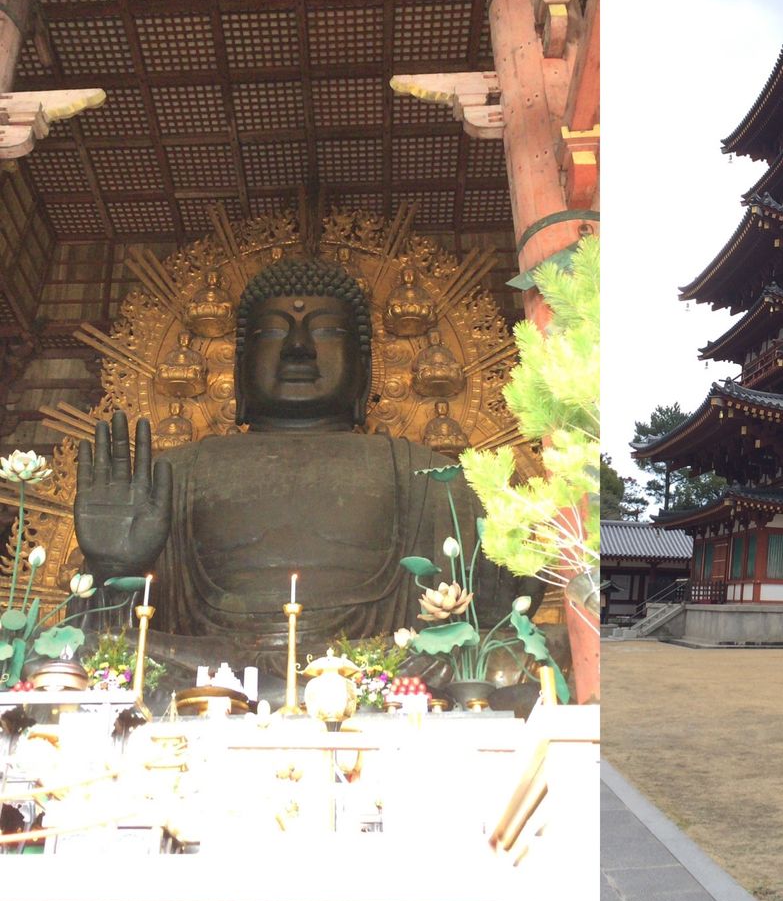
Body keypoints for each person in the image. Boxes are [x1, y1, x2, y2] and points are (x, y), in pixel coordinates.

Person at [73, 259, 521, 668]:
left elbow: (494, 609)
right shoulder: (173, 474)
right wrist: (114, 570)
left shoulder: (430, 477)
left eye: (327, 331)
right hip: (205, 672)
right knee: (79, 650)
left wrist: (519, 567)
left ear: (365, 367)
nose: (299, 347)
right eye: (272, 332)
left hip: (386, 666)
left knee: (499, 659)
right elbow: (110, 631)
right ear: (239, 367)